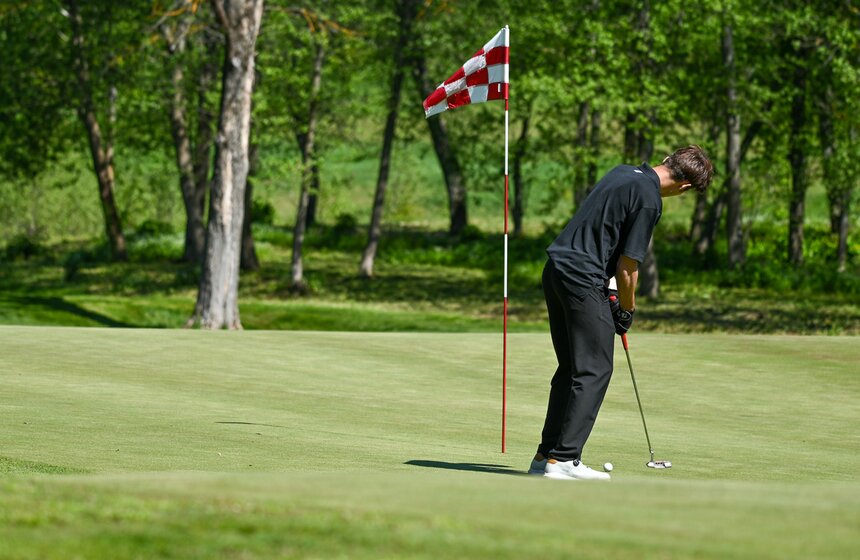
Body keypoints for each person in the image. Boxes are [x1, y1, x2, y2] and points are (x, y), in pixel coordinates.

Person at [529, 145, 714, 480]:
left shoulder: (622, 172)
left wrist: (610, 292)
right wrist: (627, 309)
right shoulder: (649, 199)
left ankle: (545, 457)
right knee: (595, 368)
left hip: (556, 270)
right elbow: (629, 266)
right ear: (685, 186)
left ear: (667, 160)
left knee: (572, 368)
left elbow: (605, 239)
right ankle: (565, 459)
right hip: (582, 279)